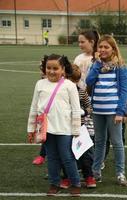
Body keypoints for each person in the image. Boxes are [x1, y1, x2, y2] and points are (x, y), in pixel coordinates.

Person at [27, 54, 81, 197]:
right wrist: (31, 128)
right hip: (46, 129)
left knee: (67, 156)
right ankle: (54, 183)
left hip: (65, 129)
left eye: (55, 68)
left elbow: (76, 109)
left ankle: (75, 183)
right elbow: (34, 107)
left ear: (63, 69)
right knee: (51, 157)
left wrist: (76, 129)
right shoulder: (40, 84)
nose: (51, 71)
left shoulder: (69, 85)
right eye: (48, 68)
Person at [85, 34, 127, 186]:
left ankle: (120, 173)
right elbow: (88, 81)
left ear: (113, 49)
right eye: (100, 47)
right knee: (99, 141)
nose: (102, 50)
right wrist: (97, 64)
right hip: (98, 110)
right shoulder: (96, 64)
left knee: (117, 142)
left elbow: (124, 91)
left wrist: (120, 111)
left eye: (106, 47)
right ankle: (96, 171)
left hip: (113, 111)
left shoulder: (121, 67)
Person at [60, 64, 96, 189]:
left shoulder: (81, 92)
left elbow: (89, 107)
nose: (73, 83)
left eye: (76, 80)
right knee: (67, 155)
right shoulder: (61, 92)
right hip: (65, 128)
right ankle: (66, 177)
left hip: (80, 128)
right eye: (71, 80)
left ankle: (89, 177)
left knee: (84, 154)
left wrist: (84, 112)